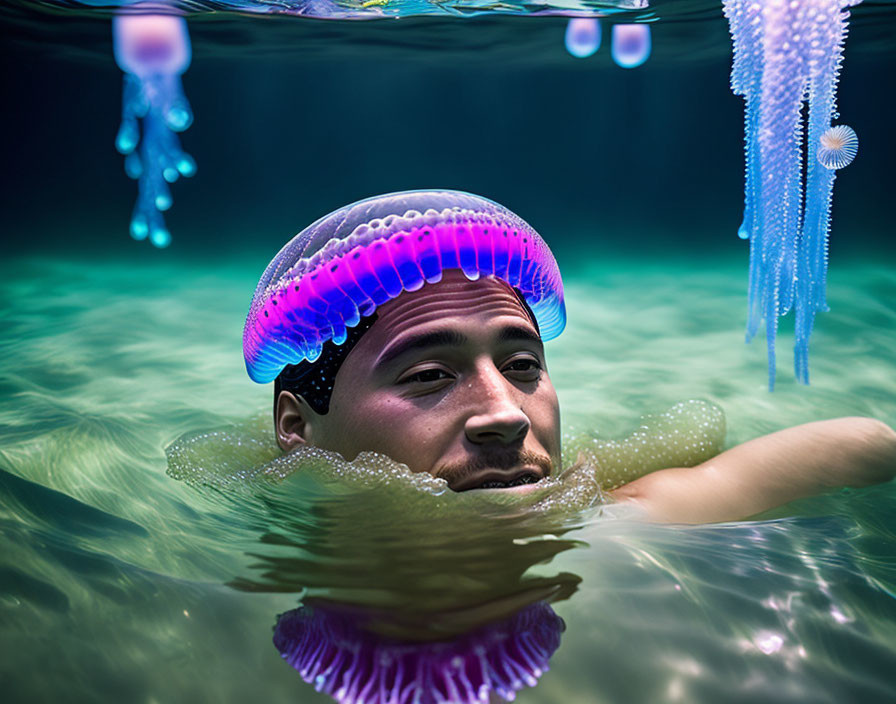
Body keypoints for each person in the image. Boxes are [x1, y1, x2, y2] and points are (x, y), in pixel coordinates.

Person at [243, 190, 896, 524]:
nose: (505, 415)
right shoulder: (228, 554)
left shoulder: (609, 527)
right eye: (430, 376)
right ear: (297, 430)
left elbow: (865, 442)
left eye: (523, 366)